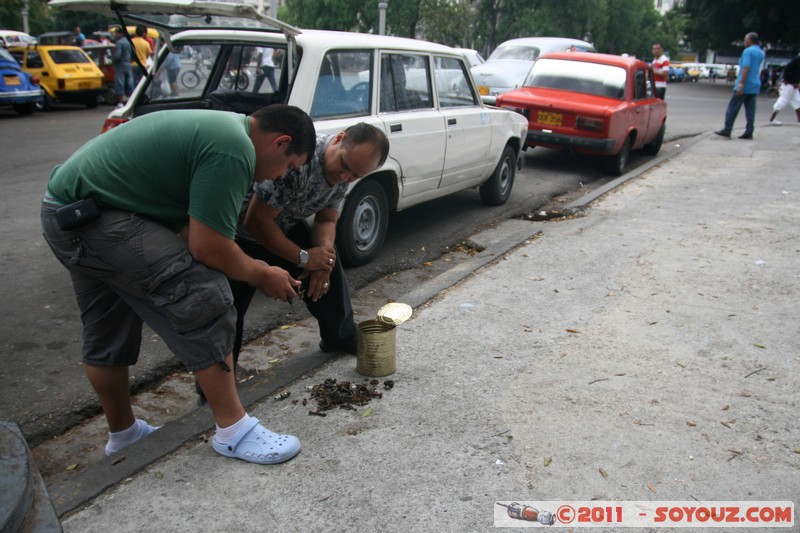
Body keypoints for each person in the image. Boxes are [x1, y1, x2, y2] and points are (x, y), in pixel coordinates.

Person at [40, 105, 317, 465]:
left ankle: (123, 435)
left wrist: (247, 265)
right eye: (289, 167)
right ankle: (234, 431)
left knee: (109, 326)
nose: (281, 177)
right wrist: (261, 273)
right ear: (280, 142)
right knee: (205, 295)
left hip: (68, 213)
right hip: (95, 219)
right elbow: (208, 247)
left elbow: (192, 231)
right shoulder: (233, 147)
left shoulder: (222, 130)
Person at [194, 123, 390, 404]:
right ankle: (214, 387)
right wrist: (304, 258)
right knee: (228, 308)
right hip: (239, 234)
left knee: (329, 268)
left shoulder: (346, 173)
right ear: (339, 139)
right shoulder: (301, 162)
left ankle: (339, 336)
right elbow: (256, 221)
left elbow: (327, 219)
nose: (344, 176)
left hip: (284, 226)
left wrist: (321, 258)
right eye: (343, 165)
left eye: (355, 175)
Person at [715, 32, 765, 140]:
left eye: (746, 39)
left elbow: (746, 68)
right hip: (755, 84)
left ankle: (727, 129)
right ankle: (749, 131)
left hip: (745, 84)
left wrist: (741, 84)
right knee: (750, 110)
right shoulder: (761, 52)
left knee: (733, 107)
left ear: (750, 40)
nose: (745, 42)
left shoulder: (748, 51)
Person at [768, 55, 800, 126]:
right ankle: (771, 119)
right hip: (788, 86)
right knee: (782, 102)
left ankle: (799, 121)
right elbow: (787, 72)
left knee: (798, 102)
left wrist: (797, 83)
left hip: (793, 86)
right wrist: (786, 80)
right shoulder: (794, 63)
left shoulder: (796, 65)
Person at [109, 25, 134, 106]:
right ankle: (130, 100)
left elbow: (117, 55)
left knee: (120, 83)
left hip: (120, 65)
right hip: (128, 64)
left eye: (116, 33)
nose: (115, 35)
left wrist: (112, 61)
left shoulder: (119, 43)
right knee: (129, 83)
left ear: (120, 33)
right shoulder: (128, 42)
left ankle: (120, 102)